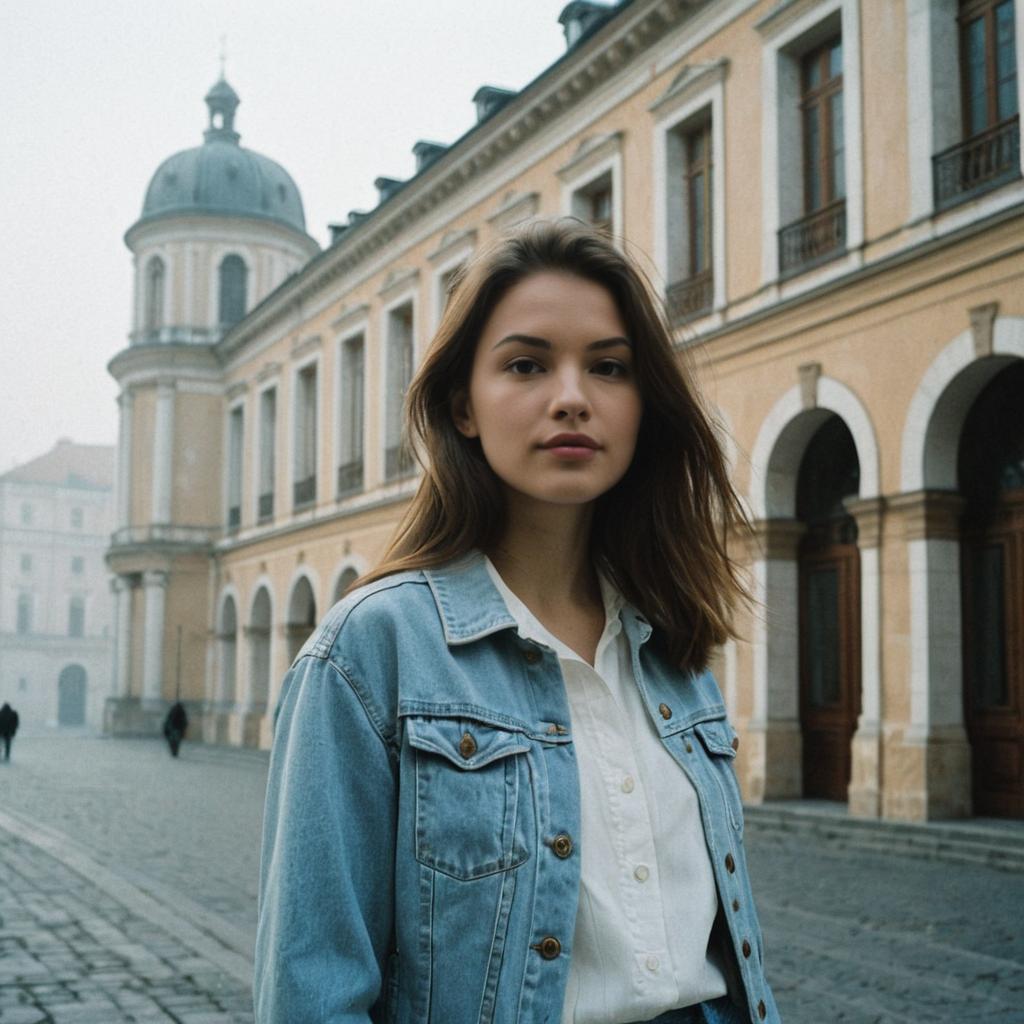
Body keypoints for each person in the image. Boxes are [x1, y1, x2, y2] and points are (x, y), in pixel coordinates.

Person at [255, 220, 780, 1024]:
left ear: (643, 407)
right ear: (464, 406)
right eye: (527, 364)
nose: (572, 396)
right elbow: (311, 991)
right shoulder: (370, 651)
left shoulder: (673, 643)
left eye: (608, 367)